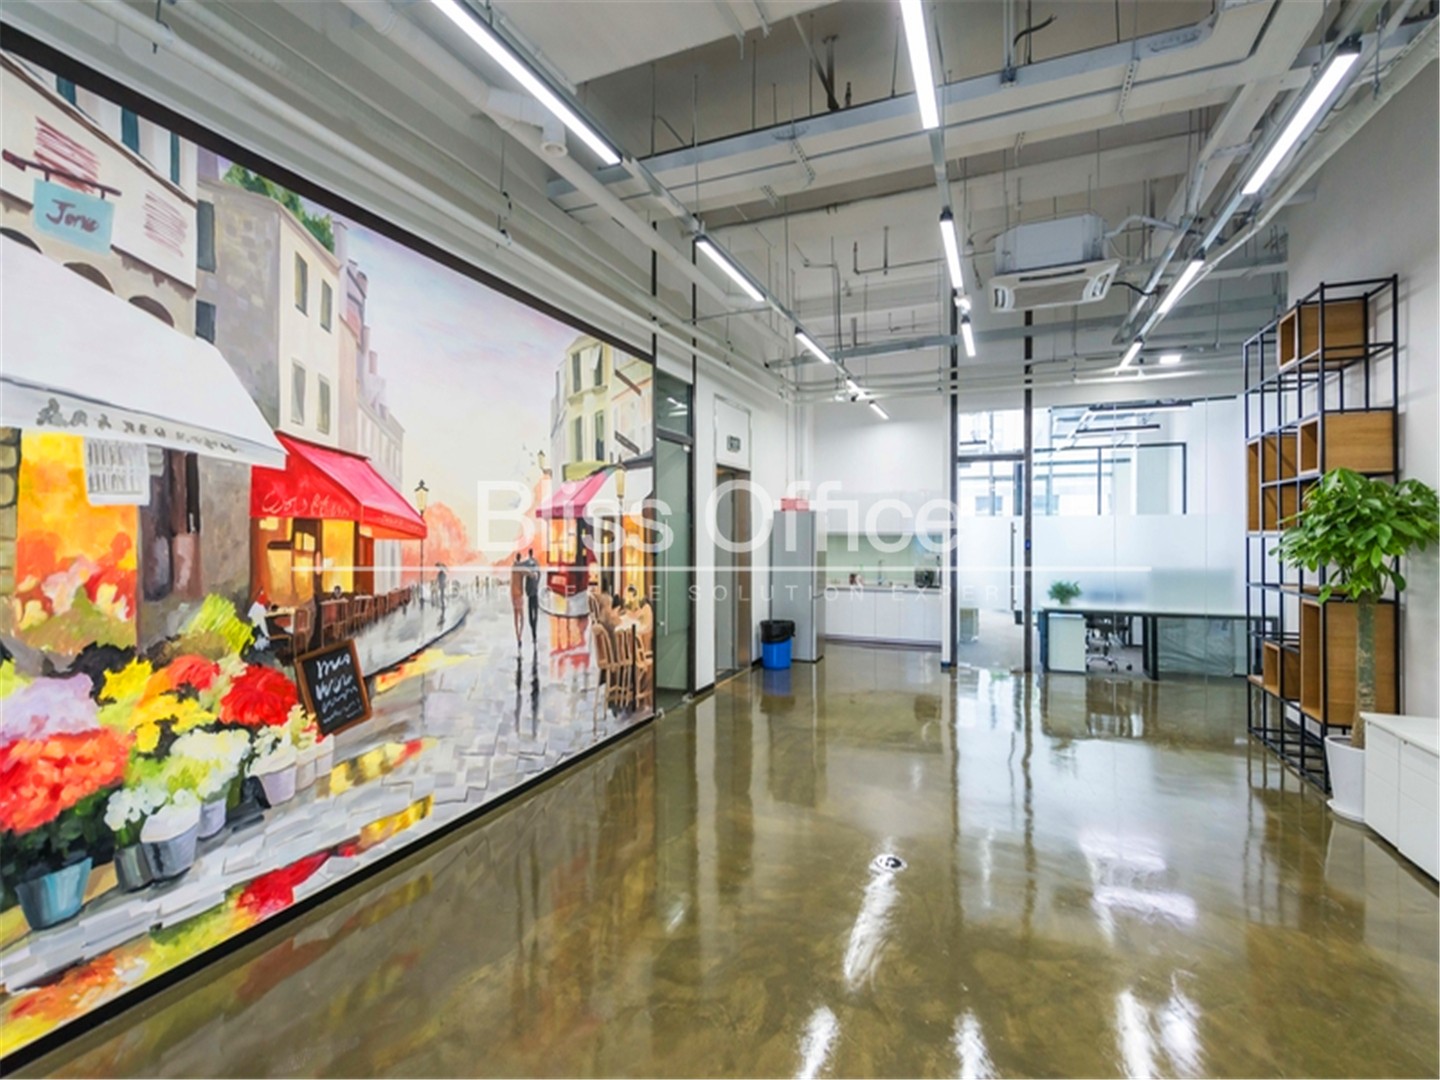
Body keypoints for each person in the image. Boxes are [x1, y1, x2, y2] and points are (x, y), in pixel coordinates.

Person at [517, 553, 541, 644]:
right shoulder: (536, 562)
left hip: (530, 593)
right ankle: (534, 630)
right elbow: (539, 573)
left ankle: (533, 629)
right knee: (535, 613)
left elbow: (525, 577)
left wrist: (526, 591)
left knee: (530, 614)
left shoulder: (527, 563)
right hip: (535, 592)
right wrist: (537, 583)